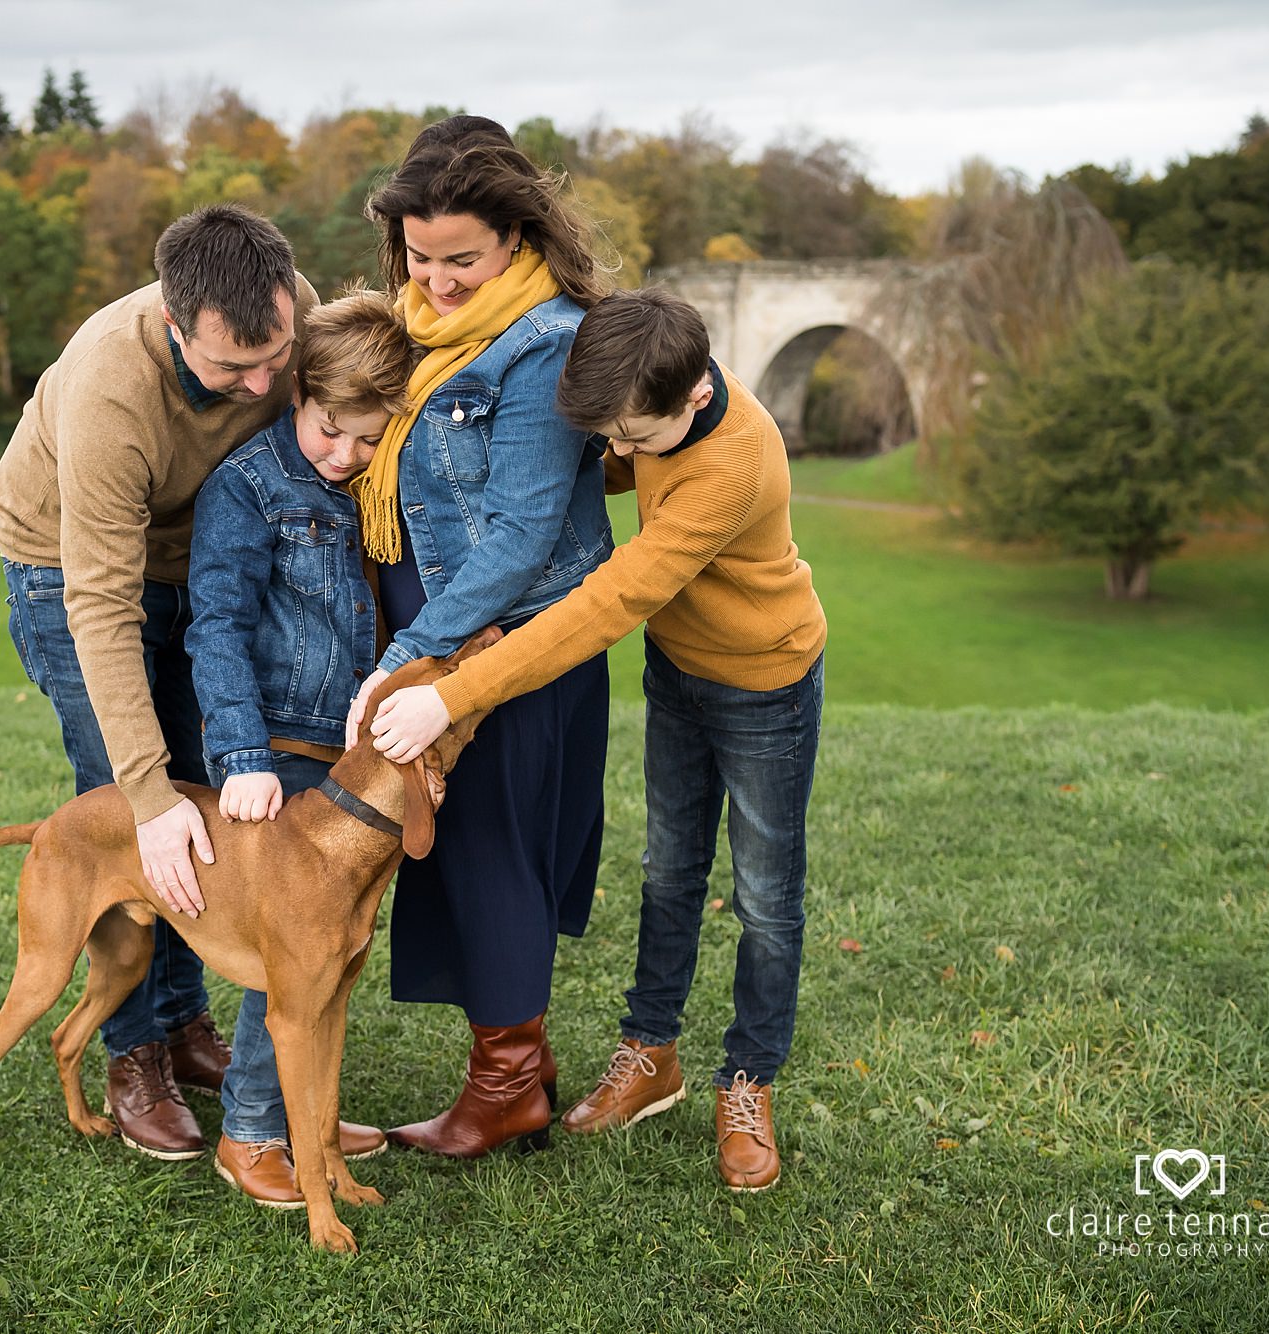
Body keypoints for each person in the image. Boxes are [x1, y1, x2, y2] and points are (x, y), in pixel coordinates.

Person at [367, 287, 827, 1191]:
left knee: (766, 894)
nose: (616, 456)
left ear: (696, 396)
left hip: (765, 681)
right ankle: (651, 1053)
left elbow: (607, 603)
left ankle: (748, 1082)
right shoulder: (646, 384)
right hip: (680, 674)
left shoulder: (729, 462)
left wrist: (452, 692)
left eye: (630, 438)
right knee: (667, 868)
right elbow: (599, 466)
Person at [0, 203, 316, 1161]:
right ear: (177, 326)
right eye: (233, 369)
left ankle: (184, 1026)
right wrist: (142, 790)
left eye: (276, 356)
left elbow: (372, 342)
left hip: (187, 556)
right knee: (143, 813)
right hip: (67, 568)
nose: (263, 383)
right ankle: (136, 1053)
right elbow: (100, 605)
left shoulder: (282, 309)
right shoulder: (109, 394)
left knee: (201, 803)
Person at [345, 115, 615, 1158]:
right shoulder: (414, 325)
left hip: (509, 640)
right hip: (439, 632)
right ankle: (522, 1067)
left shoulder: (546, 341)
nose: (438, 279)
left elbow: (516, 538)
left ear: (516, 236)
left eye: (461, 258)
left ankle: (504, 1088)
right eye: (419, 255)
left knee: (492, 845)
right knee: (458, 843)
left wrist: (401, 657)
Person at [185, 289, 418, 1204]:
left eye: (369, 438)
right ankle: (250, 1132)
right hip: (271, 751)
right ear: (297, 395)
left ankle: (305, 1125)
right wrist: (240, 756)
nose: (346, 454)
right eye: (331, 430)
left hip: (341, 755)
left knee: (333, 949)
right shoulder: (248, 488)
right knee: (288, 950)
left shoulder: (369, 482)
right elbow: (217, 626)